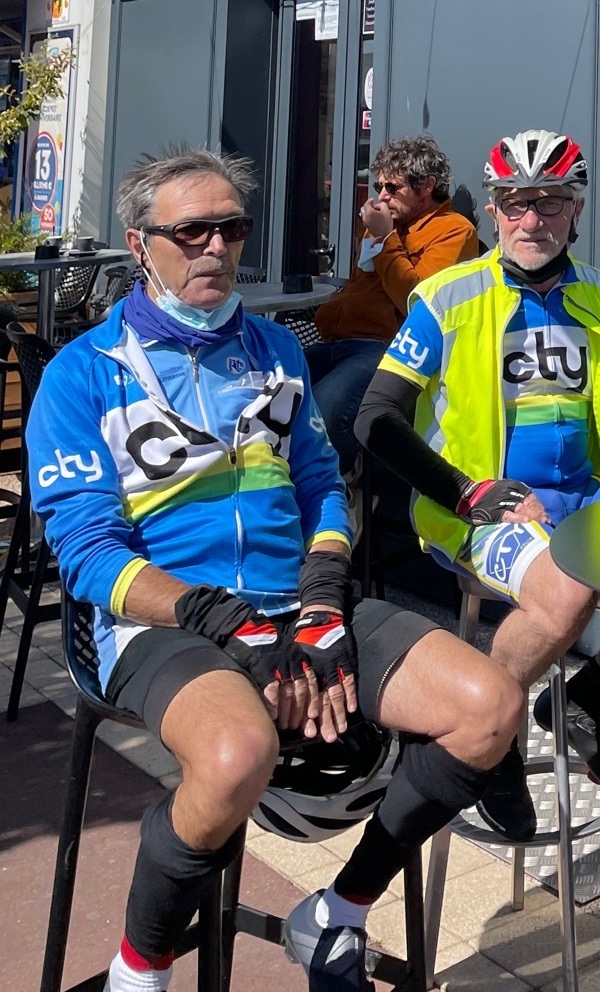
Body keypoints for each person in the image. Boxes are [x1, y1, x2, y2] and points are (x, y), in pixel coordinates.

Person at [28, 148, 520, 992]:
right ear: (140, 244)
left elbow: (325, 489)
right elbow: (86, 554)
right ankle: (138, 970)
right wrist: (223, 620)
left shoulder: (273, 351)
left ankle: (336, 913)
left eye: (232, 228)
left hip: (295, 598)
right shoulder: (84, 375)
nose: (216, 248)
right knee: (233, 755)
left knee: (489, 706)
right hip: (164, 618)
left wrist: (325, 599)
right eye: (192, 231)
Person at [355, 127, 600, 843]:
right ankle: (498, 731)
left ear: (577, 208)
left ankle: (584, 694)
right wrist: (465, 493)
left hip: (584, 503)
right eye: (515, 203)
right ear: (492, 211)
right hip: (478, 516)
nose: (531, 220)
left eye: (550, 203)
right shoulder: (446, 296)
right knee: (572, 581)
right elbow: (375, 420)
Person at [307, 135, 479, 467]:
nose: (382, 196)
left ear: (427, 186)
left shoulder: (454, 230)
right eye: (379, 186)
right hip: (334, 340)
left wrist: (386, 237)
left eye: (392, 188)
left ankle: (345, 484)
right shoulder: (380, 225)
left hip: (386, 346)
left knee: (326, 416)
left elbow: (417, 303)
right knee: (272, 399)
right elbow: (361, 286)